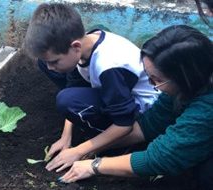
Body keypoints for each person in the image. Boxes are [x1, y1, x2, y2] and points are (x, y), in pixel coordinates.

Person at [58, 25, 213, 190]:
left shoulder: (207, 107)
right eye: (149, 76)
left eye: (157, 80)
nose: (153, 86)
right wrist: (91, 149)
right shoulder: (186, 86)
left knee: (205, 174)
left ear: (186, 77)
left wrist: (94, 165)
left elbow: (160, 159)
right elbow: (148, 126)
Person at [23, 3, 159, 173]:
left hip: (141, 113)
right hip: (119, 93)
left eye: (55, 61)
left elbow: (125, 124)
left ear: (75, 47)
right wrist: (66, 137)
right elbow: (73, 86)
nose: (51, 67)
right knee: (63, 89)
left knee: (67, 100)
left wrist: (80, 150)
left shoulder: (109, 66)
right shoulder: (87, 42)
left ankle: (116, 146)